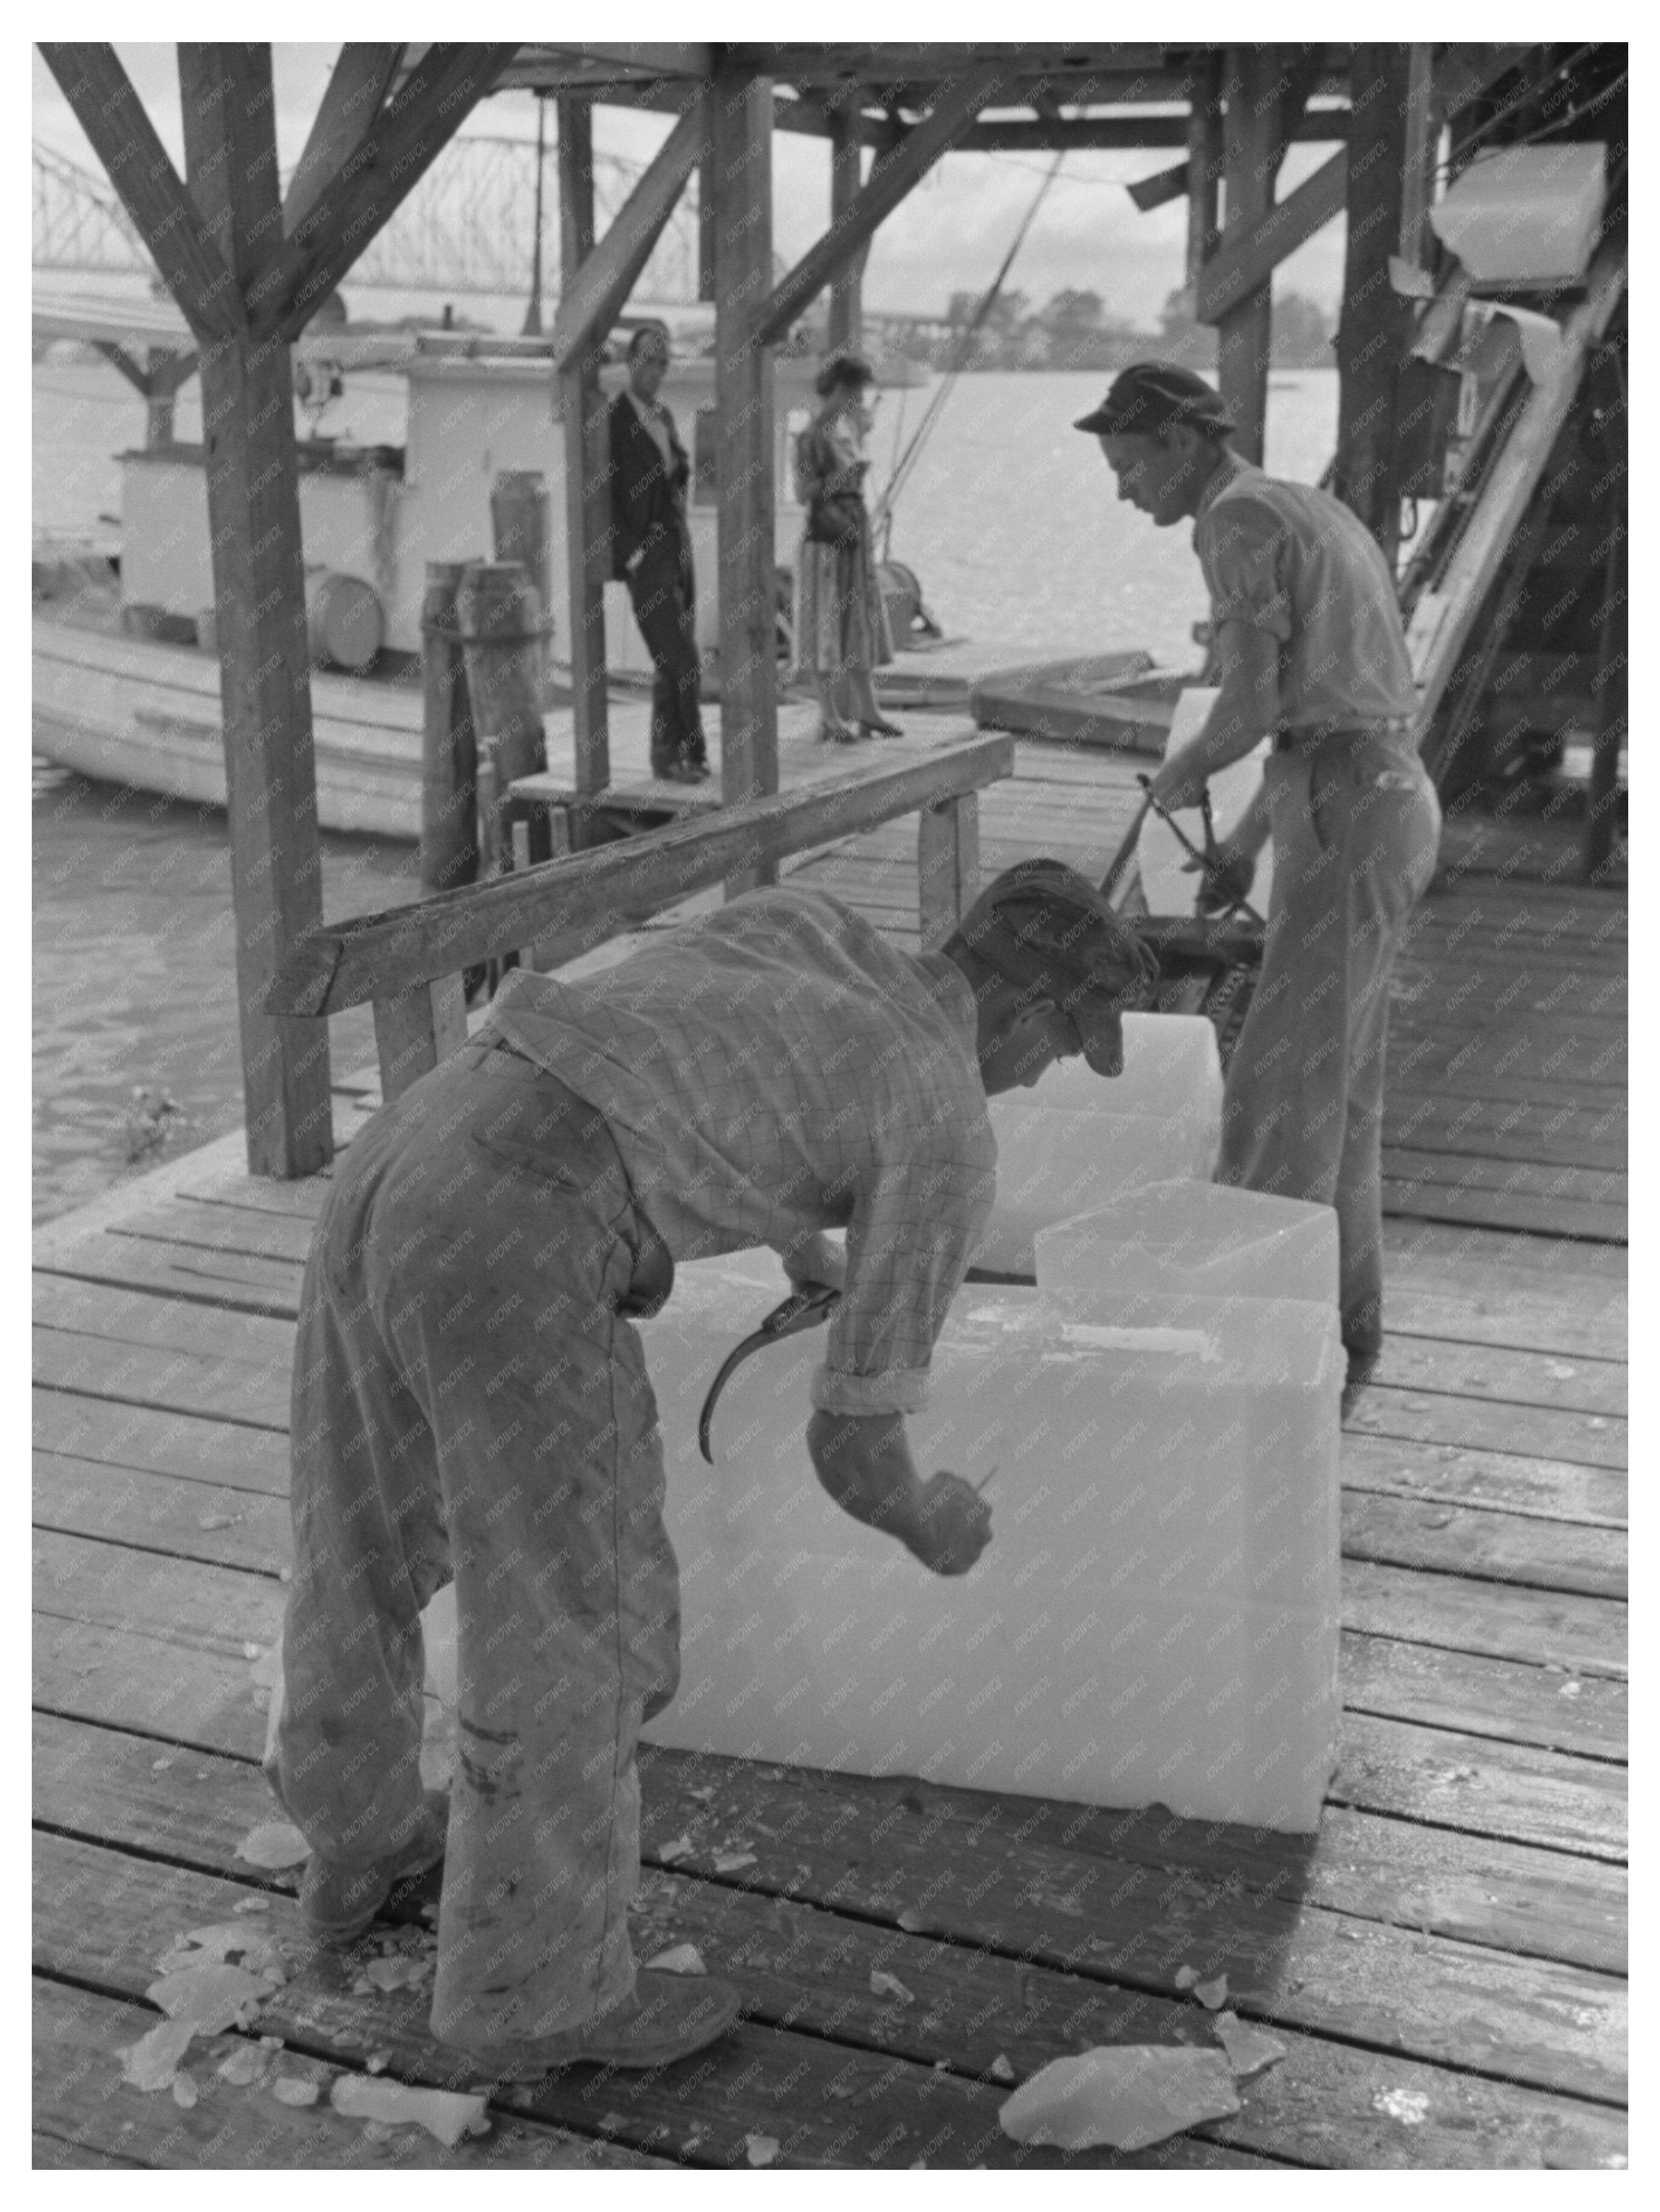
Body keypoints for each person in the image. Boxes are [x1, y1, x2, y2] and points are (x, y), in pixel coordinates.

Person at [267, 860, 1157, 2082]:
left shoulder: (814, 922)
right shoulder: (945, 1115)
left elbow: (664, 1061)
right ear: (1030, 1012)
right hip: (519, 1221)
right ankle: (535, 1995)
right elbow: (850, 1443)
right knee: (577, 1616)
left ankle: (352, 1839)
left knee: (352, 1538)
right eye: (1061, 1048)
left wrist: (804, 1239)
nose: (1039, 1076)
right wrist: (926, 1516)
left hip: (414, 1141)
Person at [1075, 361, 1443, 1391]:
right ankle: (1346, 1318)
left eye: (1128, 465)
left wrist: (1177, 777)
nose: (1123, 490)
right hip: (1382, 792)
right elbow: (1319, 710)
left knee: (1275, 1090)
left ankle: (1250, 1351)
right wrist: (1238, 840)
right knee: (1342, 1083)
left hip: (1344, 804)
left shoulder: (1229, 520)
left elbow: (1243, 713)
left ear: (1183, 444)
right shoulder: (1303, 505)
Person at [610, 322, 709, 783]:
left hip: (677, 547)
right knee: (682, 659)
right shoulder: (614, 420)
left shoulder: (663, 416)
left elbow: (677, 474)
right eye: (648, 360)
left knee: (675, 657)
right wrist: (630, 553)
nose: (656, 370)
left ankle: (666, 756)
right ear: (630, 361)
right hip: (647, 553)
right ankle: (690, 753)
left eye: (664, 362)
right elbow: (603, 493)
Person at [791, 351, 904, 743]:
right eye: (856, 392)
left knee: (859, 622)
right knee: (826, 624)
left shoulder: (845, 428)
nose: (859, 399)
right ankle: (830, 715)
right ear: (840, 390)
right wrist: (842, 479)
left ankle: (867, 709)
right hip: (826, 540)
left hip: (852, 537)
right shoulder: (809, 437)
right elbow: (803, 492)